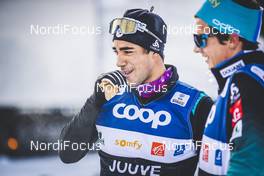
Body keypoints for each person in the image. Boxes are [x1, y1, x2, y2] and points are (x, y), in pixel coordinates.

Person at [59, 7, 213, 176]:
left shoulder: (196, 105)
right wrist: (94, 101)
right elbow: (68, 154)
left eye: (127, 51)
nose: (119, 62)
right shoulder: (108, 95)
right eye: (116, 51)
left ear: (154, 52)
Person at [193, 0, 264, 175]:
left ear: (232, 40)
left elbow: (250, 166)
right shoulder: (237, 80)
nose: (196, 49)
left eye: (201, 39)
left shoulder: (246, 84)